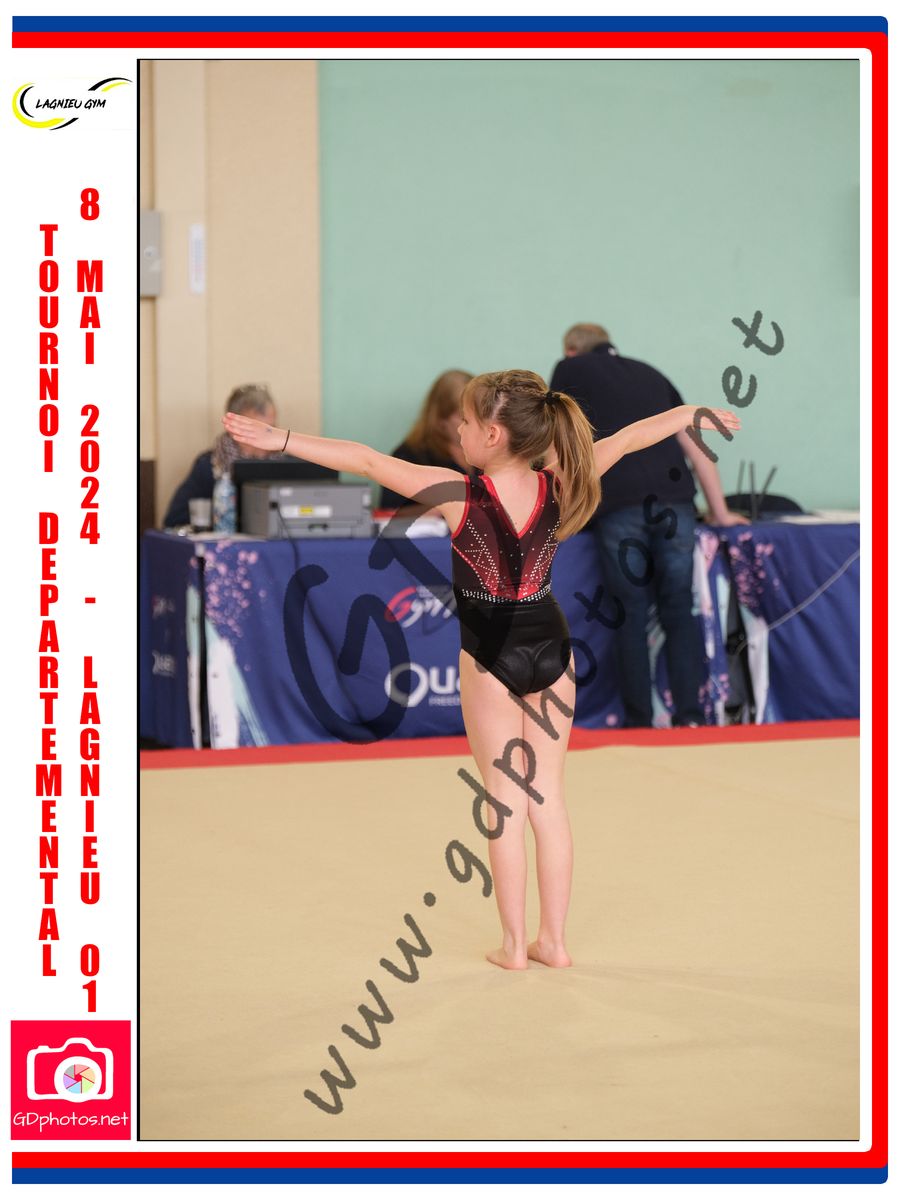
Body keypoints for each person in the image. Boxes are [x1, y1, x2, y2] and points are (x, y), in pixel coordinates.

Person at [223, 371, 739, 970]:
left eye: (466, 422)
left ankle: (515, 946)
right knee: (548, 800)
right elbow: (628, 440)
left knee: (504, 802)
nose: (460, 431)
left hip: (490, 653)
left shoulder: (457, 493)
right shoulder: (560, 482)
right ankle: (555, 943)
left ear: (493, 435)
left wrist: (281, 439)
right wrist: (689, 413)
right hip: (552, 647)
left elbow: (364, 460)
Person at [550, 324, 749, 729]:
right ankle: (690, 716)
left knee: (630, 613)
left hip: (619, 503)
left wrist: (558, 508)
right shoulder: (651, 372)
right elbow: (695, 444)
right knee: (679, 609)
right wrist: (721, 511)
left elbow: (559, 439)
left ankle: (639, 721)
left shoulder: (568, 370)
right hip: (675, 501)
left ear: (571, 350)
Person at [162, 384, 281, 527]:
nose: (266, 439)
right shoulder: (210, 465)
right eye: (255, 431)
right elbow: (174, 521)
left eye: (271, 430)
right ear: (232, 428)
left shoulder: (285, 464)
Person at [379, 369, 474, 512]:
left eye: (479, 416)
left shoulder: (487, 451)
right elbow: (387, 513)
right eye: (464, 418)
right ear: (440, 419)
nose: (475, 425)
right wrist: (442, 509)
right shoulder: (409, 456)